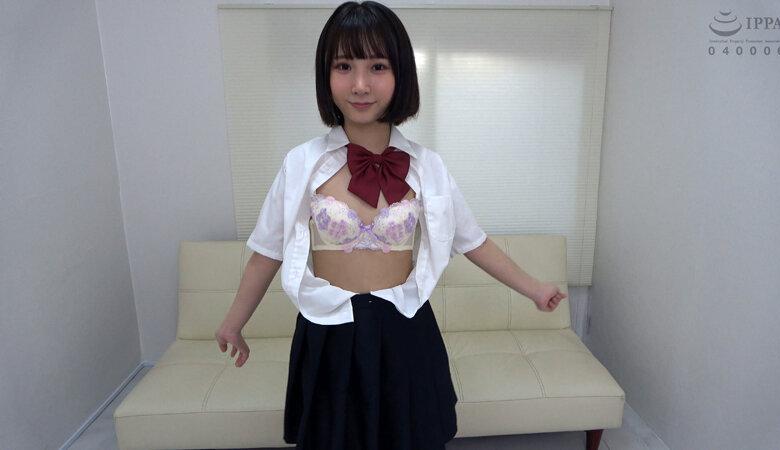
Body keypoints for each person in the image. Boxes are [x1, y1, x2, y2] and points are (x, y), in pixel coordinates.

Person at [214, 2, 567, 449]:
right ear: (326, 75)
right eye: (344, 66)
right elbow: (268, 251)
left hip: (406, 328)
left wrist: (535, 289)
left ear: (400, 74)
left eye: (377, 66)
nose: (360, 84)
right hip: (328, 330)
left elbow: (473, 241)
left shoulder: (428, 167)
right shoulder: (301, 164)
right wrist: (233, 322)